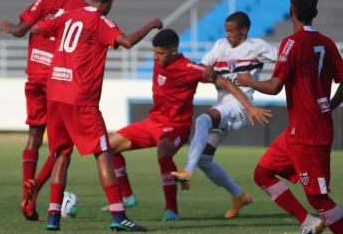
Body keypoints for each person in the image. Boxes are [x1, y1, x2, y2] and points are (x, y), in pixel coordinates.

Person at [30, 0, 162, 232]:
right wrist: (150, 25)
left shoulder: (70, 15)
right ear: (111, 1)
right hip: (80, 98)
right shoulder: (101, 21)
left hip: (55, 93)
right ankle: (118, 215)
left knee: (61, 155)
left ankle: (53, 218)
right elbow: (126, 42)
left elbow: (37, 28)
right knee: (103, 153)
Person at [100, 29, 271, 222]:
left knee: (163, 152)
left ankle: (171, 209)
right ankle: (128, 196)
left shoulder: (188, 68)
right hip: (153, 121)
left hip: (176, 125)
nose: (156, 58)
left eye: (160, 53)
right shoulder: (160, 60)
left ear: (174, 51)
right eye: (154, 53)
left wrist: (249, 107)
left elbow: (226, 83)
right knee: (107, 147)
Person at [236, 0, 343, 234]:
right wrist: (328, 105)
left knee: (318, 196)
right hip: (298, 130)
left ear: (290, 11)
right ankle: (307, 222)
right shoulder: (327, 43)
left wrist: (248, 80)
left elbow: (274, 87)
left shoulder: (291, 43)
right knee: (263, 173)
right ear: (315, 12)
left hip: (309, 135)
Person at [0, 0, 92, 221]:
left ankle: (25, 196)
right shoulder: (83, 8)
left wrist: (10, 29)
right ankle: (36, 186)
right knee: (63, 147)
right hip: (58, 80)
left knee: (33, 138)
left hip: (34, 76)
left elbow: (20, 31)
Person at [171, 12, 278, 218]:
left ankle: (186, 172)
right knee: (204, 160)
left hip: (240, 108)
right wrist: (207, 69)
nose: (228, 35)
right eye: (226, 31)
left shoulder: (257, 46)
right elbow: (204, 65)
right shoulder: (220, 46)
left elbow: (284, 59)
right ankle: (239, 196)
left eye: (231, 31)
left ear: (244, 30)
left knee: (203, 120)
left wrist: (274, 82)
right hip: (223, 107)